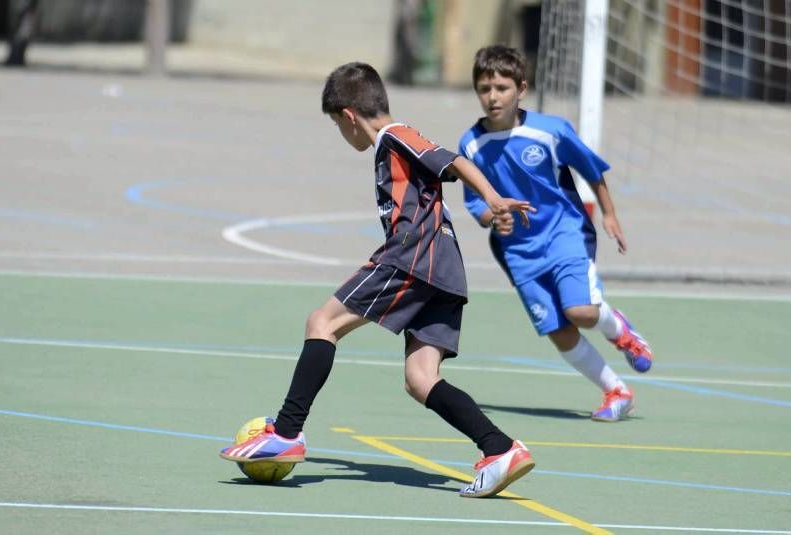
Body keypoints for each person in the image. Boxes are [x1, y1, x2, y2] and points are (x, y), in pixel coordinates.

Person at [220, 62, 538, 498]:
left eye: (337, 124)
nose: (341, 132)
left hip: (413, 259)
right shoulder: (394, 144)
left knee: (322, 323)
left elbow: (455, 160)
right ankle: (499, 449)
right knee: (419, 377)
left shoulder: (395, 136)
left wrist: (492, 196)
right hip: (444, 269)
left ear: (349, 116)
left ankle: (287, 432)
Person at [458, 45, 654, 422]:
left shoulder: (550, 131)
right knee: (558, 331)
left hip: (564, 232)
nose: (492, 97)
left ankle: (621, 330)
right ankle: (617, 391)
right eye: (484, 89)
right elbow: (476, 201)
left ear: (522, 89)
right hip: (517, 251)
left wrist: (610, 214)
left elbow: (591, 169)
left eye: (501, 87)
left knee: (579, 311)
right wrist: (492, 217)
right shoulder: (470, 143)